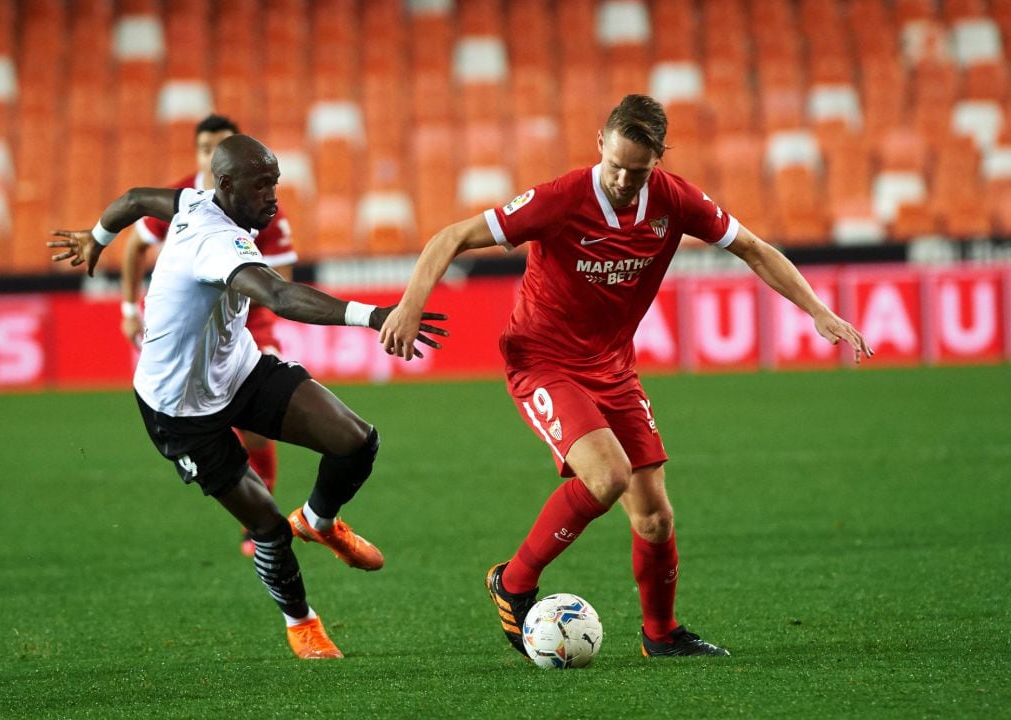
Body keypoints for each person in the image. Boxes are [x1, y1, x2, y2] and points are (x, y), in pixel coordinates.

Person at [379, 94, 873, 658]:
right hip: (541, 360)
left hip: (613, 366)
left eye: (637, 170)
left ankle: (660, 636)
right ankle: (512, 582)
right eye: (614, 164)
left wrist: (819, 311)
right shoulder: (560, 198)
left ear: (658, 160)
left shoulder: (676, 200)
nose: (622, 179)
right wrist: (410, 304)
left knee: (656, 517)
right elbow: (452, 236)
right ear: (600, 143)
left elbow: (755, 249)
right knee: (607, 474)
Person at [49, 134, 447, 660]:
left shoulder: (194, 201)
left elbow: (135, 200)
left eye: (275, 182)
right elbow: (280, 296)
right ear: (228, 185)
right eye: (261, 186)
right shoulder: (214, 241)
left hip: (238, 370)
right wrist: (374, 315)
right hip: (180, 411)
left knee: (356, 441)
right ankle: (301, 621)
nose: (273, 196)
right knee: (265, 525)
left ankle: (320, 521)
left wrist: (96, 236)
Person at [119, 114, 297, 557]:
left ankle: (262, 506)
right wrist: (127, 307)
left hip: (249, 318)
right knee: (196, 408)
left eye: (218, 144)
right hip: (190, 320)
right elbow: (135, 245)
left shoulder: (260, 200)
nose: (208, 153)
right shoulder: (183, 198)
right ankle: (250, 509)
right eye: (204, 146)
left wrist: (248, 288)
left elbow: (284, 273)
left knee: (254, 426)